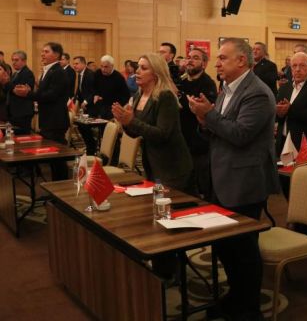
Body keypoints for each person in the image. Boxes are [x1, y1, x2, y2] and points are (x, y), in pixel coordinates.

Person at [188, 38, 279, 320]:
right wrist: (205, 121)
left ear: (241, 60)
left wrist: (209, 115)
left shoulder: (257, 93)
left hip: (245, 181)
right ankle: (235, 297)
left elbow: (240, 134)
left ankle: (249, 309)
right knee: (224, 246)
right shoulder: (226, 88)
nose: (216, 63)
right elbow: (220, 130)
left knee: (243, 250)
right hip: (222, 177)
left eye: (222, 58)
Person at [112, 53, 193, 193]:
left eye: (143, 68)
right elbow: (134, 133)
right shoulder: (138, 95)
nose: (137, 71)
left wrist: (131, 121)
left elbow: (162, 134)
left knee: (169, 204)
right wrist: (125, 122)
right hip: (151, 163)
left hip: (171, 165)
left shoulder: (165, 96)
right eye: (138, 67)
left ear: (156, 73)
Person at [12, 42, 70, 180]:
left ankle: (61, 186)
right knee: (53, 158)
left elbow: (51, 95)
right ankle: (56, 185)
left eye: (46, 51)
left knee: (58, 158)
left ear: (56, 54)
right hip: (48, 119)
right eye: (43, 51)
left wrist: (29, 94)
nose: (42, 54)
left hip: (55, 120)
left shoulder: (58, 72)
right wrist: (31, 93)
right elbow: (44, 93)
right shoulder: (48, 70)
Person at [178, 47, 217, 200]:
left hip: (198, 142)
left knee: (201, 186)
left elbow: (205, 111)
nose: (190, 60)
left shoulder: (208, 84)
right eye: (189, 57)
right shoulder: (181, 81)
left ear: (204, 64)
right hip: (182, 139)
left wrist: (182, 98)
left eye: (195, 58)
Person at [0, 51, 35, 133]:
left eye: (16, 60)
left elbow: (19, 91)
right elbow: (9, 91)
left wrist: (6, 82)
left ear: (24, 61)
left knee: (22, 135)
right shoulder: (15, 74)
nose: (13, 62)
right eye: (12, 60)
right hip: (14, 113)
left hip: (22, 112)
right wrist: (3, 82)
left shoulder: (27, 73)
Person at [90, 55, 130, 119]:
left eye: (106, 67)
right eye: (101, 66)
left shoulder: (119, 77)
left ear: (112, 66)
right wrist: (96, 94)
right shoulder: (98, 73)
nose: (103, 69)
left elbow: (126, 96)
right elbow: (93, 87)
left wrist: (116, 107)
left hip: (112, 108)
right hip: (99, 106)